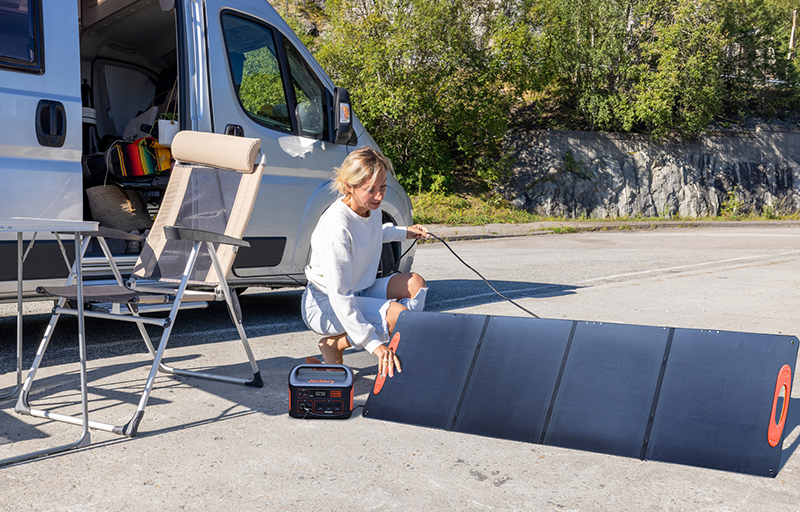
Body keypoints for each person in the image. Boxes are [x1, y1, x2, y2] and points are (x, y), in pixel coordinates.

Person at [301, 147, 429, 378]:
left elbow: (372, 232)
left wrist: (404, 232)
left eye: (383, 187)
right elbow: (340, 296)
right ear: (348, 186)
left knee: (415, 284)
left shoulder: (369, 208)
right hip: (325, 304)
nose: (379, 196)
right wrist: (373, 344)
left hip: (361, 289)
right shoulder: (335, 227)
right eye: (370, 190)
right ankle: (377, 346)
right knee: (398, 316)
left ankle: (336, 344)